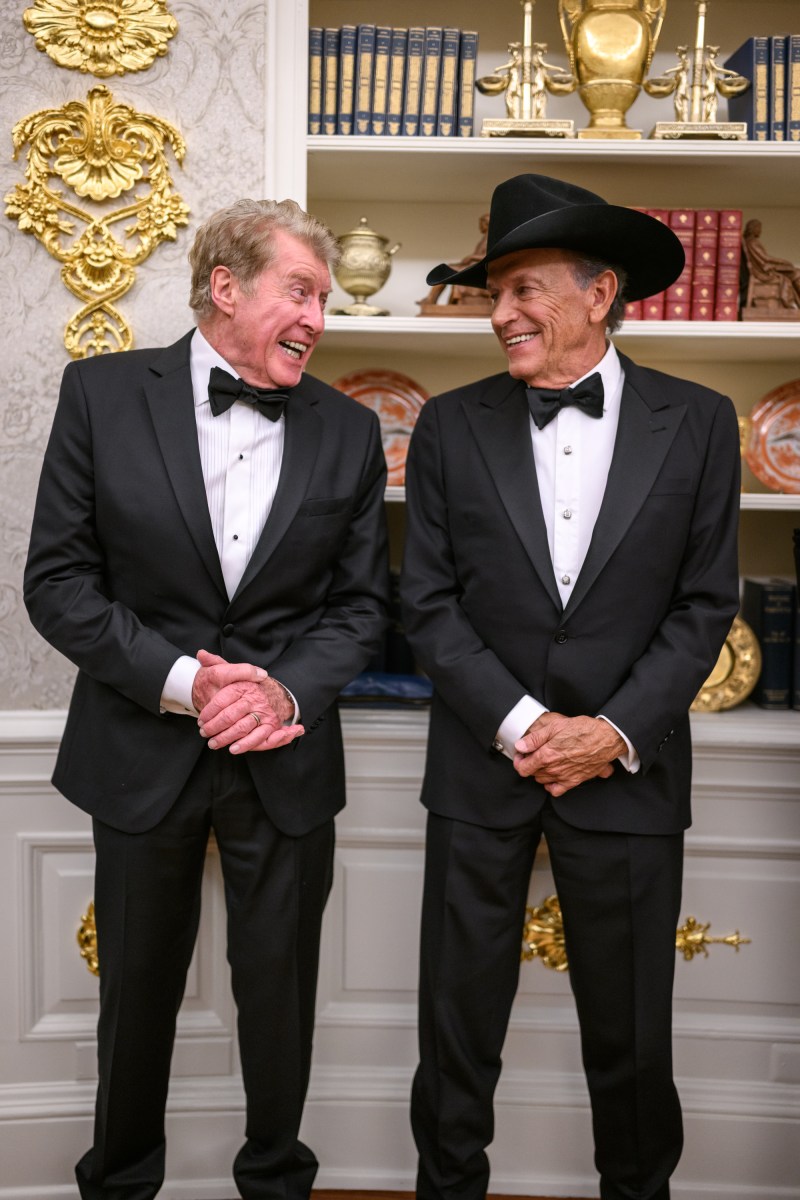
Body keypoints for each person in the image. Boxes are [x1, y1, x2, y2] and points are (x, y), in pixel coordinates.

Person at [24, 197, 390, 1200]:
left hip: (287, 755)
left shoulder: (352, 431)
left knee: (280, 998)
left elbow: (361, 610)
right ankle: (120, 1181)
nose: (317, 317)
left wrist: (275, 689)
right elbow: (56, 584)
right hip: (138, 752)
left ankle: (276, 1180)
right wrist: (187, 684)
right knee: (133, 997)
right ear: (224, 289)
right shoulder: (99, 395)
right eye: (300, 292)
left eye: (323, 298)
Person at [400, 173, 741, 1200]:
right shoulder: (449, 426)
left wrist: (610, 731)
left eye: (521, 288)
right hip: (478, 765)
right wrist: (521, 724)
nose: (499, 314)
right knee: (454, 1039)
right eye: (492, 293)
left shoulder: (699, 421)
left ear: (598, 294)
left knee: (631, 1042)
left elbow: (701, 604)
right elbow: (427, 604)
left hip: (627, 774)